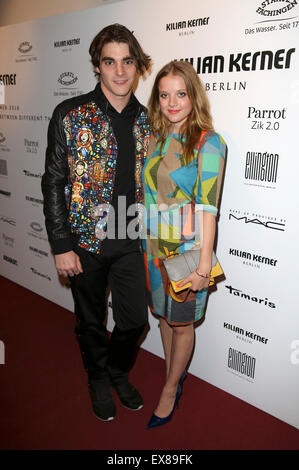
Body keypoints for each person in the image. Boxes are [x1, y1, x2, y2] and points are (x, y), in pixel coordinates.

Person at [41, 24, 152, 422]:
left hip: (129, 236)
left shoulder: (148, 120)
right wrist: (60, 244)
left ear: (138, 66)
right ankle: (97, 379)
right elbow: (54, 181)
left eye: (127, 61)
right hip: (84, 242)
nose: (119, 71)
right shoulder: (70, 114)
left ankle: (117, 371)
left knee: (135, 318)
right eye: (110, 62)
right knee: (90, 322)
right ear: (97, 66)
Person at [142, 60, 226, 428]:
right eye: (164, 95)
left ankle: (169, 389)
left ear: (194, 95)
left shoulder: (208, 143)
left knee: (182, 324)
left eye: (180, 93)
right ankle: (172, 374)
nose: (172, 102)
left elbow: (209, 210)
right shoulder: (153, 138)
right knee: (163, 317)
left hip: (186, 253)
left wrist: (204, 266)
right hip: (152, 248)